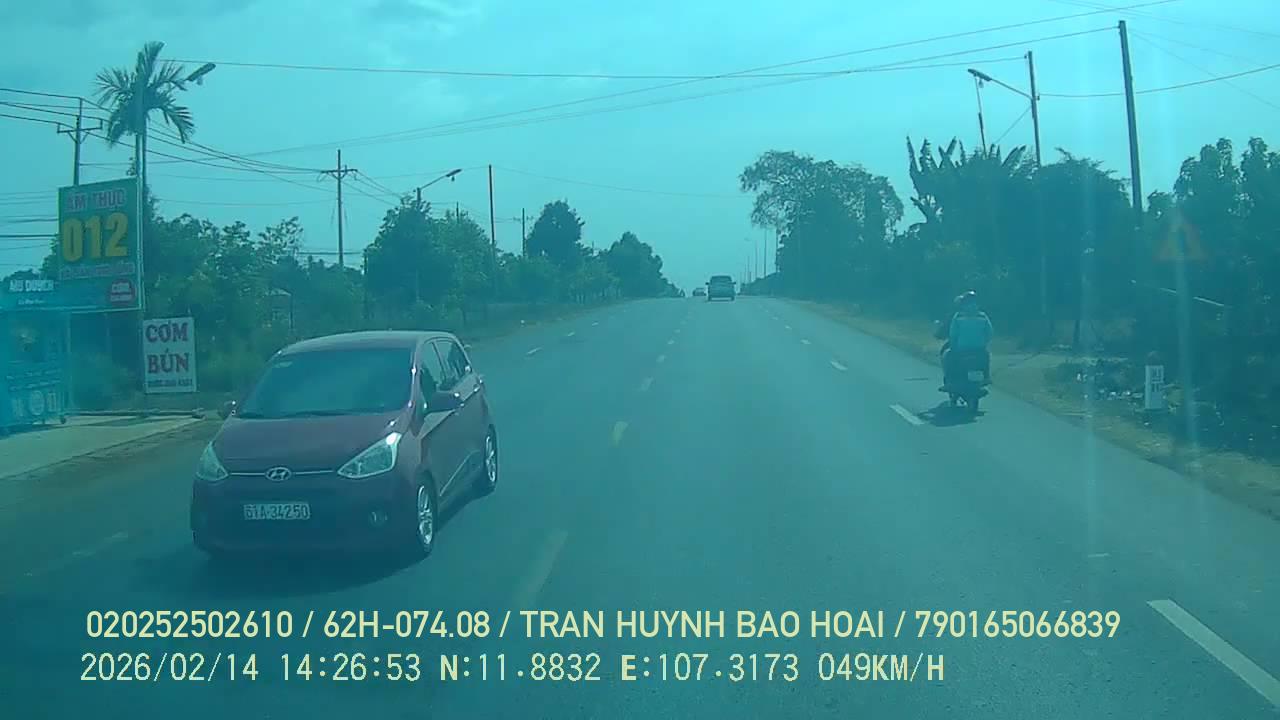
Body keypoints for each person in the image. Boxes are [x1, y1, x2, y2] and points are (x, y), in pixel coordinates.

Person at [943, 291, 993, 386]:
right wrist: (983, 342)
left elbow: (953, 334)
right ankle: (986, 377)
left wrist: (954, 345)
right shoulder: (982, 316)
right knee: (986, 357)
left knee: (948, 356)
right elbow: (989, 333)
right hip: (979, 348)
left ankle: (949, 380)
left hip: (962, 348)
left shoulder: (958, 316)